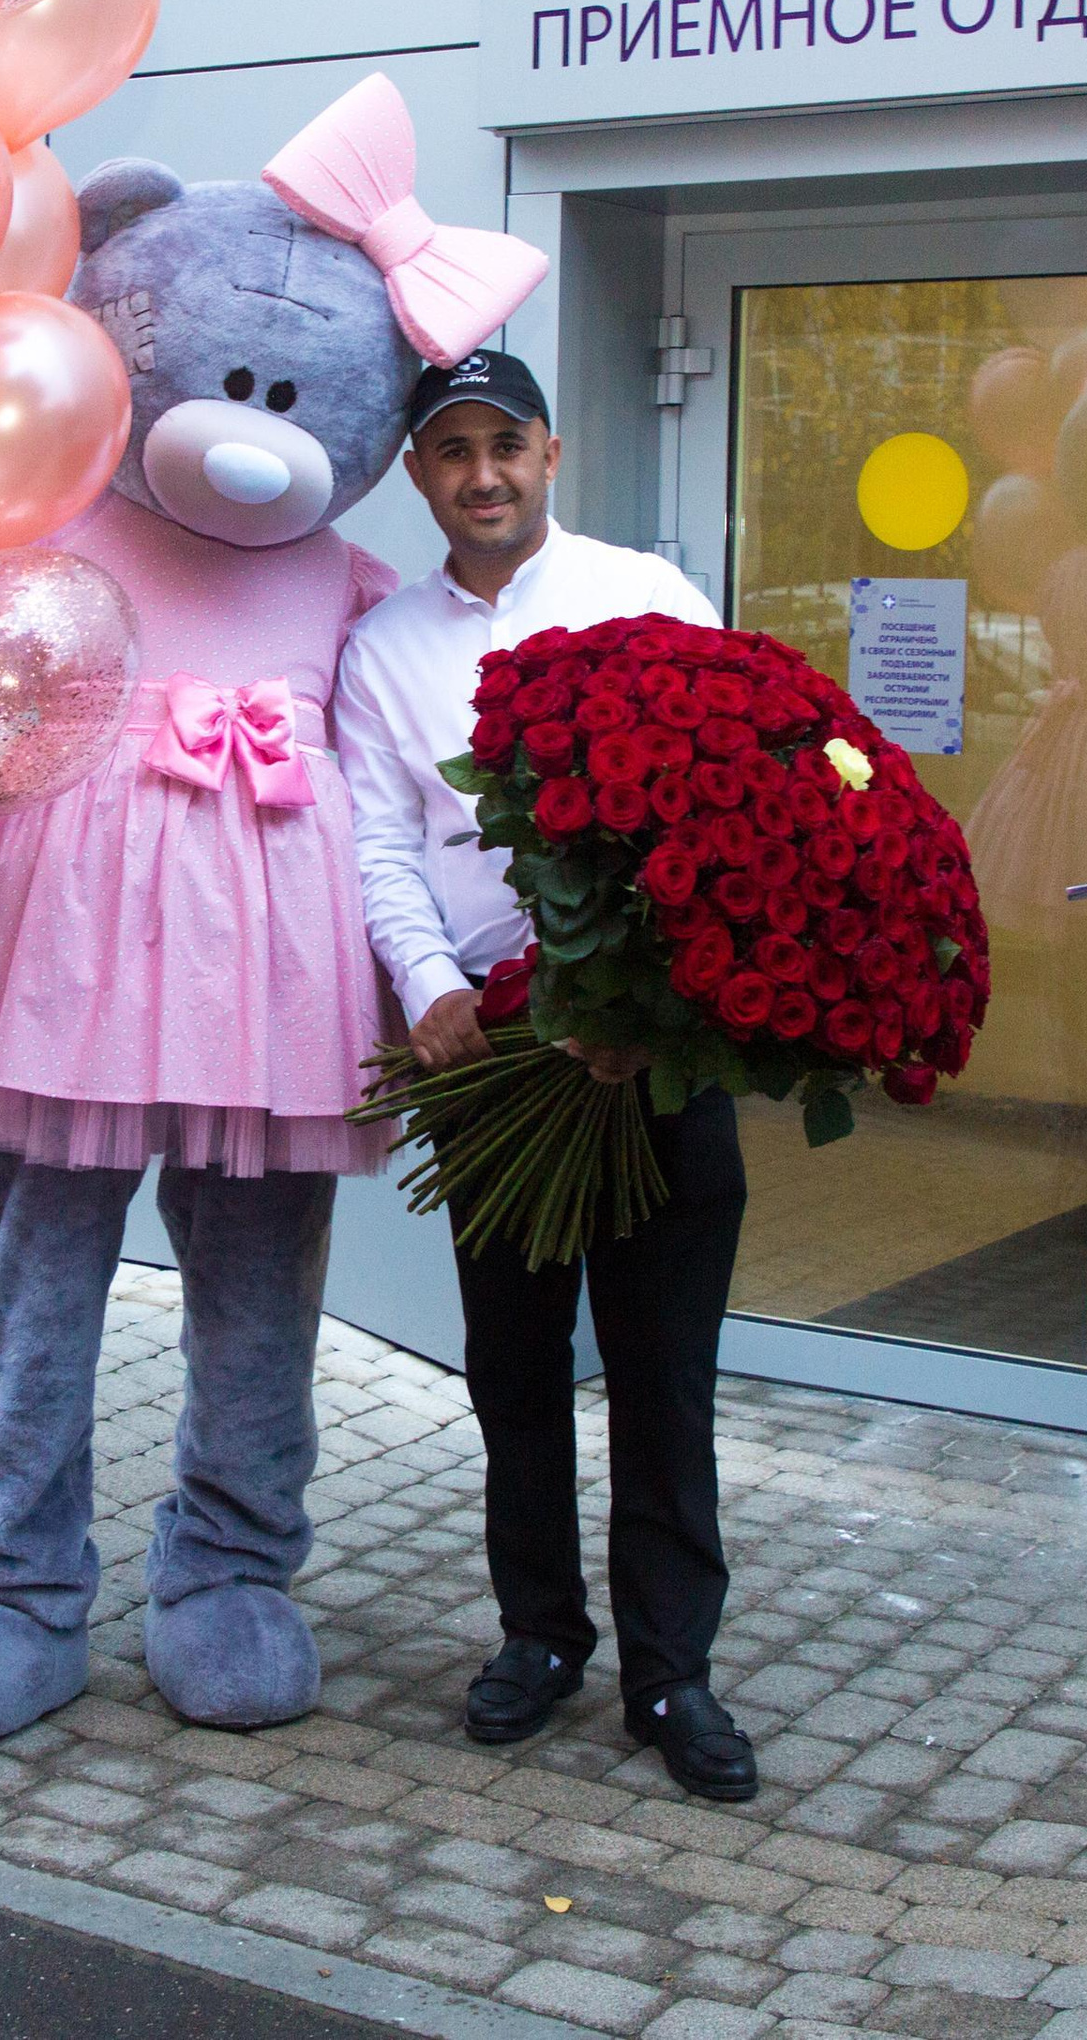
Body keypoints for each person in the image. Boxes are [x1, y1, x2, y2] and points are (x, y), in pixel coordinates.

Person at [332, 349, 758, 1802]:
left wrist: (648, 995)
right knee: (514, 1379)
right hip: (496, 1068)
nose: (482, 474)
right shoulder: (385, 650)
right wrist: (434, 987)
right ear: (417, 477)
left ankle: (670, 1672)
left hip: (655, 1061)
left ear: (552, 453)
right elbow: (384, 842)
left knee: (662, 1380)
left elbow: (736, 801)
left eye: (503, 443)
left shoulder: (646, 597)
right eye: (451, 452)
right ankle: (540, 1635)